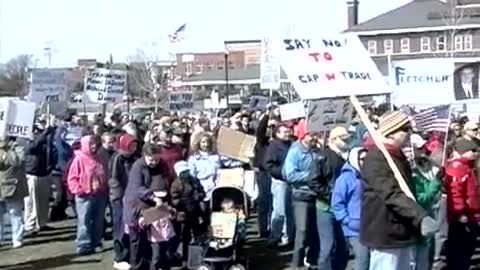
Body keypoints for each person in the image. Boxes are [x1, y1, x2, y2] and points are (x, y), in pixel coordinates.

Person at [361, 111, 436, 270]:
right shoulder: (376, 157)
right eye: (405, 129)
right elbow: (391, 193)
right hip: (386, 232)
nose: (409, 133)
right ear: (391, 133)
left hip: (402, 230)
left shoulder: (396, 156)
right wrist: (420, 217)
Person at [123, 143, 168, 270]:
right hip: (136, 207)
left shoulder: (162, 165)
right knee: (137, 240)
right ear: (144, 156)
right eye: (151, 159)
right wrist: (153, 196)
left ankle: (153, 264)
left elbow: (166, 180)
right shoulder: (138, 166)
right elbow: (137, 188)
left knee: (155, 239)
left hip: (155, 207)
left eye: (157, 159)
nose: (154, 162)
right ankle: (136, 266)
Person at [283, 119, 320, 270]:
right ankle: (296, 263)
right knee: (302, 230)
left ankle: (312, 260)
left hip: (316, 195)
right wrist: (310, 175)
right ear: (303, 135)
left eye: (315, 134)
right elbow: (289, 175)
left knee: (315, 230)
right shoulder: (294, 152)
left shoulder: (316, 151)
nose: (314, 138)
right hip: (300, 196)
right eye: (311, 135)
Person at [314, 126, 350, 270]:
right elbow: (314, 180)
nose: (347, 141)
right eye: (344, 138)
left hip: (343, 208)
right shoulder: (323, 156)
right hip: (326, 208)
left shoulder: (348, 156)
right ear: (334, 139)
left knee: (343, 246)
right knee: (327, 247)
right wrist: (330, 194)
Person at [67, 135, 108, 255]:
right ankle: (83, 244)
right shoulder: (79, 159)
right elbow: (72, 178)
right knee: (84, 220)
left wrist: (104, 185)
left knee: (98, 220)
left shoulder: (100, 158)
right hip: (84, 195)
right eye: (91, 144)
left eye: (95, 144)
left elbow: (105, 173)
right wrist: (79, 190)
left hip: (100, 193)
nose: (94, 146)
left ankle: (96, 242)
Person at [444, 139, 480, 270]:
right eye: (473, 151)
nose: (476, 153)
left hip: (473, 214)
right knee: (460, 249)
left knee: (468, 247)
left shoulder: (469, 167)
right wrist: (460, 212)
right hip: (463, 217)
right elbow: (455, 192)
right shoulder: (458, 167)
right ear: (463, 152)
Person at [331, 147, 369, 270]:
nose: (365, 162)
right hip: (353, 229)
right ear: (354, 159)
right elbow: (337, 204)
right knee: (362, 259)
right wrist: (348, 221)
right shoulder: (345, 179)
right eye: (362, 159)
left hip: (369, 226)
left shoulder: (369, 176)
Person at [18, 125, 56, 234]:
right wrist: (43, 134)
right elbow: (31, 148)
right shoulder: (22, 138)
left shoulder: (41, 137)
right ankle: (30, 225)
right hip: (31, 172)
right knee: (31, 201)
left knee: (43, 201)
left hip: (43, 171)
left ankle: (42, 222)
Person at [109, 133, 138, 270]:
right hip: (120, 198)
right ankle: (119, 257)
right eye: (132, 145)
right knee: (120, 228)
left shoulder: (136, 158)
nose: (134, 147)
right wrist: (120, 197)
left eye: (135, 145)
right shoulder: (118, 158)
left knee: (131, 228)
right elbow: (114, 180)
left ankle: (131, 255)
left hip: (133, 198)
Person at [264, 122, 294, 247]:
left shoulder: (293, 145)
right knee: (280, 211)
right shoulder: (273, 146)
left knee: (290, 211)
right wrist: (282, 173)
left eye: (289, 131)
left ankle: (288, 236)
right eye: (284, 132)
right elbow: (268, 165)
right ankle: (275, 236)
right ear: (277, 133)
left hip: (293, 181)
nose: (288, 134)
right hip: (280, 181)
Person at [170, 161, 205, 266]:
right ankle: (185, 258)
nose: (186, 174)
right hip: (182, 214)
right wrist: (182, 202)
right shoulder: (176, 184)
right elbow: (173, 199)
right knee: (184, 237)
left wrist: (198, 196)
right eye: (183, 172)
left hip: (195, 212)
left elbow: (202, 192)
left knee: (198, 234)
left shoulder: (194, 181)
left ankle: (198, 257)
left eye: (187, 171)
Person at [0, 137, 28, 248]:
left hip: (13, 186)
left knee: (15, 214)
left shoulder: (18, 147)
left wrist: (8, 151)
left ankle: (17, 239)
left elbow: (18, 161)